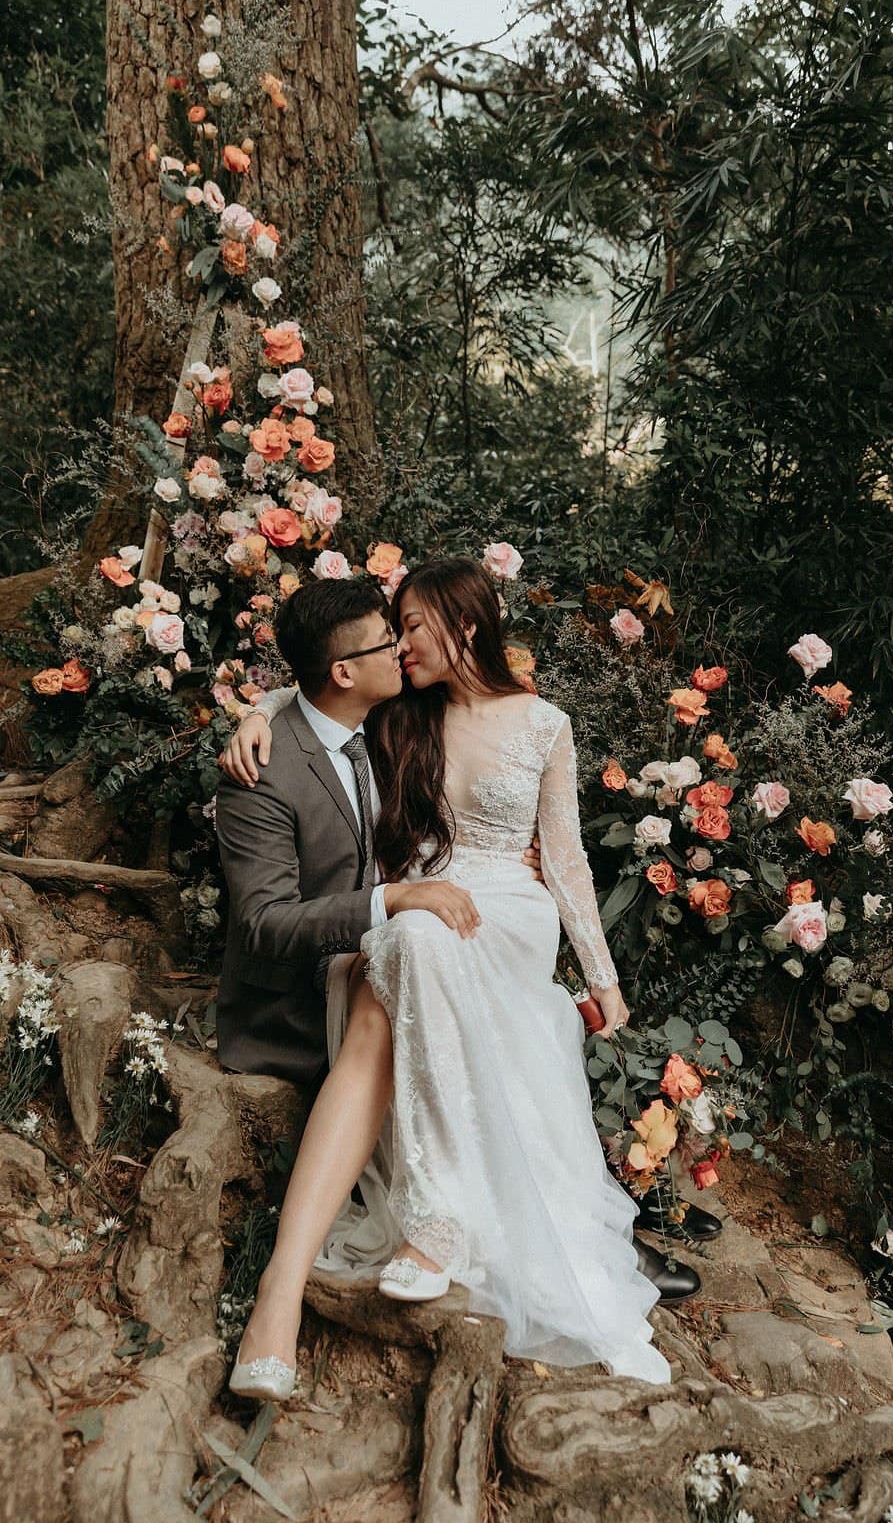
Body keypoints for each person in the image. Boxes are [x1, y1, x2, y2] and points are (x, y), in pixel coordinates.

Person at [225, 557, 675, 1390]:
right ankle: (426, 1229)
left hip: (512, 910)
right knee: (417, 938)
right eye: (391, 634)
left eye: (414, 628)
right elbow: (319, 688)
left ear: (462, 627)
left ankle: (408, 1240)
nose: (400, 647)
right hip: (423, 906)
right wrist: (257, 708)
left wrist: (602, 976)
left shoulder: (545, 724)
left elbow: (567, 861)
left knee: (413, 942)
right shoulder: (405, 712)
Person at [215, 575, 541, 1399]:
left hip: (399, 954)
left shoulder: (394, 713)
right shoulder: (260, 772)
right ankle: (278, 1300)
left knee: (427, 961)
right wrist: (390, 900)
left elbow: (322, 680)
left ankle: (554, 1220)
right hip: (311, 984)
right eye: (383, 642)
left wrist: (259, 698)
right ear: (345, 674)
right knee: (396, 967)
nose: (404, 648)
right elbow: (262, 925)